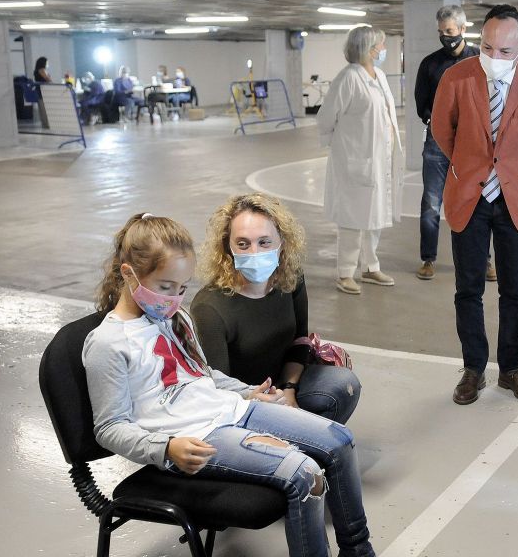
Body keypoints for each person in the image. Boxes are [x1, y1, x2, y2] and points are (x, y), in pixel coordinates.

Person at [83, 213, 375, 557]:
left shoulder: (174, 317)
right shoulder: (107, 343)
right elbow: (109, 427)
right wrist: (166, 448)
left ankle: (358, 551)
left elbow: (202, 373)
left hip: (231, 409)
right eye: (165, 287)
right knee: (305, 473)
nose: (174, 299)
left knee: (340, 441)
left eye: (182, 288)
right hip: (193, 436)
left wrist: (246, 391)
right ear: (129, 273)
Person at [431, 4, 518, 405]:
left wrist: (510, 169)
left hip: (514, 197)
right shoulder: (456, 77)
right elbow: (443, 131)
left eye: (505, 51)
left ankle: (510, 369)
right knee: (467, 289)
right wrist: (473, 165)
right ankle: (473, 368)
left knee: (514, 290)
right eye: (487, 47)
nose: (494, 56)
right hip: (469, 195)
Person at [192, 193, 361, 424]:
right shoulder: (209, 308)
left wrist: (289, 389)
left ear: (282, 243)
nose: (255, 252)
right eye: (243, 244)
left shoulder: (290, 278)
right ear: (227, 248)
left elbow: (300, 341)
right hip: (245, 401)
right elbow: (218, 387)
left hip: (285, 385)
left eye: (264, 242)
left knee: (343, 384)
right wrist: (263, 401)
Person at [318, 26, 404, 295]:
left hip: (378, 160)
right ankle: (345, 273)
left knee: (375, 216)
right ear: (368, 48)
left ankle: (370, 267)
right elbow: (325, 118)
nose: (383, 49)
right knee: (353, 220)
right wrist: (342, 147)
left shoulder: (379, 75)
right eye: (380, 45)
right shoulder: (348, 78)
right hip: (355, 162)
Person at [413, 4, 494, 282]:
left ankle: (484, 260)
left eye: (449, 31)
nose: (445, 37)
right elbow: (421, 104)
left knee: (477, 201)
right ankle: (428, 259)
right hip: (437, 142)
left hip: (474, 144)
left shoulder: (482, 61)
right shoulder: (430, 64)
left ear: (463, 29)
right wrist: (439, 123)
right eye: (441, 32)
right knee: (432, 201)